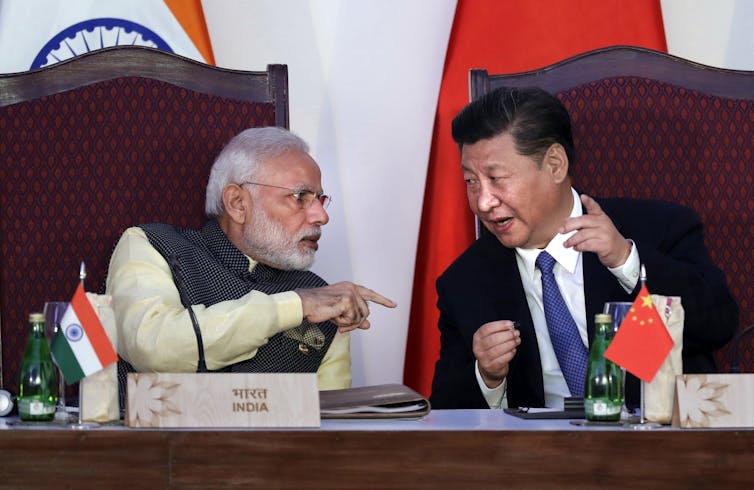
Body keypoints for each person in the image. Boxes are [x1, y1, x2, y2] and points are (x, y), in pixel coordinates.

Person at [430, 86, 739, 410]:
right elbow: (444, 415)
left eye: (496, 178)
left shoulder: (657, 230)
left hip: (657, 450)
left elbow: (717, 326)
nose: (483, 201)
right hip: (536, 457)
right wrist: (487, 376)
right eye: (471, 181)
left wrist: (627, 261)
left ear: (554, 165)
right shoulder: (465, 282)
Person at [106, 126, 396, 391]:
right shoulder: (152, 245)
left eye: (320, 200)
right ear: (237, 203)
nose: (322, 216)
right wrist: (295, 305)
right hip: (157, 447)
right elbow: (154, 348)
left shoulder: (324, 299)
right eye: (300, 197)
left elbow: (332, 427)